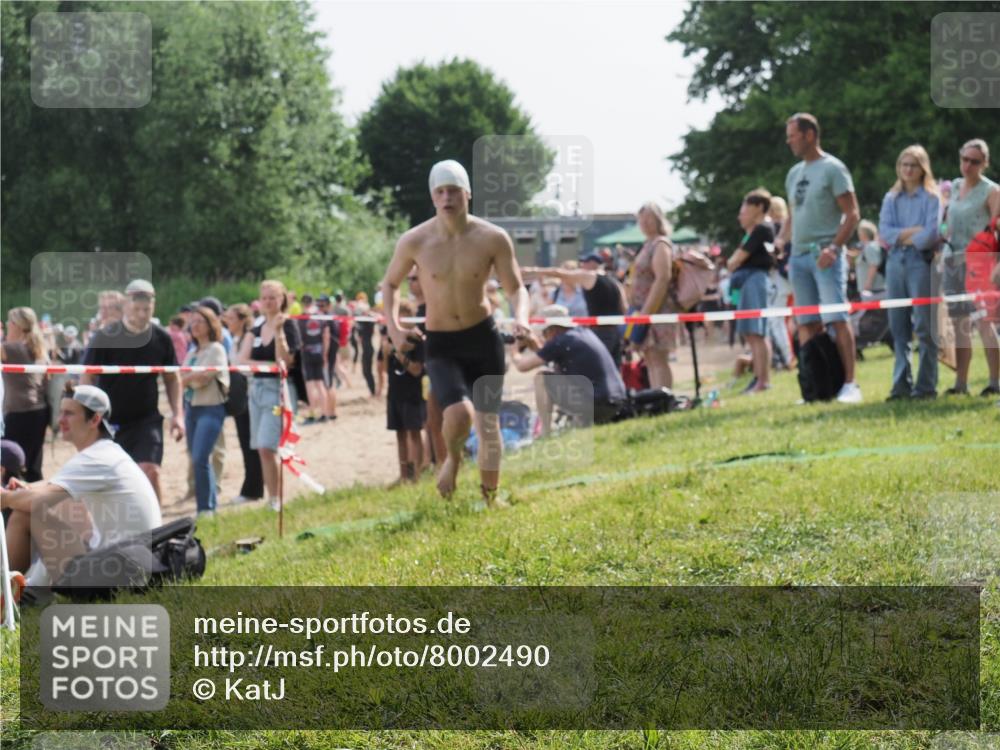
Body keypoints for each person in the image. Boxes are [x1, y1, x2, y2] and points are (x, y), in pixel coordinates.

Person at [381, 159, 530, 504]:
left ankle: (490, 498)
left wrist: (521, 316)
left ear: (468, 194)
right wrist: (395, 330)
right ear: (433, 198)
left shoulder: (492, 237)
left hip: (483, 337)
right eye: (440, 192)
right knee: (459, 414)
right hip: (442, 343)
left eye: (454, 191)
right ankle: (452, 458)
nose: (447, 198)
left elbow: (516, 287)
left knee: (488, 422)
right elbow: (389, 285)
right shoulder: (415, 240)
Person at [1, 383, 161, 588]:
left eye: (69, 414)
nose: (60, 420)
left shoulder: (96, 458)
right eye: (61, 413)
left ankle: (9, 593)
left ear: (95, 419)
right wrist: (25, 489)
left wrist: (6, 498)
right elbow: (50, 486)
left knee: (28, 513)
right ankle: (29, 590)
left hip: (120, 575)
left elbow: (41, 498)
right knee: (60, 506)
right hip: (131, 567)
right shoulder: (104, 453)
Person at [777, 113, 862, 403]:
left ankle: (851, 384)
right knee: (807, 323)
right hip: (798, 258)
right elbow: (792, 215)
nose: (788, 141)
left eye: (793, 135)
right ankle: (816, 386)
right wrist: (781, 240)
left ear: (810, 134)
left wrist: (834, 248)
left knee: (837, 318)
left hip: (826, 255)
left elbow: (852, 214)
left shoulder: (833, 168)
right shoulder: (793, 173)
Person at [81, 280, 183, 502]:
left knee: (150, 471)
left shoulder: (161, 338)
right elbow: (87, 375)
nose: (142, 314)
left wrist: (178, 414)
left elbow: (172, 377)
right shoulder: (105, 336)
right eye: (137, 308)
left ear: (153, 307)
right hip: (111, 421)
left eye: (147, 309)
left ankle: (159, 532)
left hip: (147, 419)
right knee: (114, 481)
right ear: (125, 306)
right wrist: (85, 413)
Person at [878, 145, 941, 401]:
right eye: (903, 165)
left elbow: (929, 236)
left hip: (920, 263)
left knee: (925, 327)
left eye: (912, 165)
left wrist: (904, 235)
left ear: (922, 168)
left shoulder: (932, 198)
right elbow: (885, 233)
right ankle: (901, 385)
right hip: (895, 262)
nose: (907, 170)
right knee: (898, 327)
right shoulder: (891, 199)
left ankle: (925, 386)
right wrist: (912, 232)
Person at [510, 304, 627, 435]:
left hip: (596, 404)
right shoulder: (581, 334)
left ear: (552, 330)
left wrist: (514, 349)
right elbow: (548, 354)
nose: (544, 336)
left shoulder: (560, 341)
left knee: (542, 378)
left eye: (544, 333)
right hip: (616, 402)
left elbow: (522, 366)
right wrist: (533, 342)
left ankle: (545, 432)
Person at [236, 280, 301, 511]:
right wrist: (266, 364)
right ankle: (272, 497)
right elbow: (241, 361)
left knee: (267, 446)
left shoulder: (288, 326)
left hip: (279, 389)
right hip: (257, 389)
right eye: (264, 297)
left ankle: (277, 498)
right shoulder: (254, 330)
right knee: (260, 447)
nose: (268, 301)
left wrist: (279, 331)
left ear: (282, 299)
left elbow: (285, 361)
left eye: (273, 297)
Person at [942, 138, 1000, 396]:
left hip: (980, 263)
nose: (967, 165)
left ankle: (995, 382)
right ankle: (961, 384)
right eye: (964, 159)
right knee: (959, 324)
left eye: (974, 161)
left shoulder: (992, 191)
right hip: (953, 260)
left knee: (986, 323)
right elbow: (946, 223)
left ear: (984, 163)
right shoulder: (954, 186)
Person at [522, 252, 628, 367]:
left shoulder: (590, 277)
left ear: (592, 264)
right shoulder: (615, 282)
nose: (581, 266)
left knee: (594, 368)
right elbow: (624, 308)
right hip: (614, 333)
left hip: (599, 334)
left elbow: (561, 274)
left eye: (584, 263)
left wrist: (534, 271)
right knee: (613, 370)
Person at [178, 306, 229, 516]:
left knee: (200, 457)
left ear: (210, 325)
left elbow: (203, 378)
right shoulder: (192, 351)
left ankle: (206, 508)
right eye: (193, 321)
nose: (195, 325)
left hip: (211, 408)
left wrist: (189, 379)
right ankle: (208, 505)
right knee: (197, 459)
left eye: (200, 321)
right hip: (192, 409)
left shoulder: (216, 349)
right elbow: (183, 379)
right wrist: (190, 379)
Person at [728, 188, 776, 393]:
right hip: (748, 281)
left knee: (757, 332)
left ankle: (762, 381)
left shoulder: (762, 229)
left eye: (744, 209)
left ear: (758, 207)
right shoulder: (752, 233)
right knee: (751, 333)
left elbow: (736, 260)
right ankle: (758, 378)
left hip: (755, 281)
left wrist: (734, 261)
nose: (741, 215)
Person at [630, 202, 677, 390]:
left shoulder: (660, 244)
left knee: (658, 357)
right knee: (649, 357)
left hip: (657, 309)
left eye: (649, 218)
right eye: (642, 219)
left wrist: (647, 312)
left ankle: (664, 398)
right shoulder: (646, 245)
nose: (645, 223)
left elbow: (662, 278)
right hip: (643, 309)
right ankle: (656, 396)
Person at [2, 307, 50, 481]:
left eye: (10, 321)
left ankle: (13, 507)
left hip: (20, 413)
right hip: (39, 411)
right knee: (33, 467)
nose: (7, 325)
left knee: (9, 465)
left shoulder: (12, 348)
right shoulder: (38, 347)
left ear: (19, 326)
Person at [385, 300, 426, 484]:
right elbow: (385, 368)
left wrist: (399, 354)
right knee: (400, 435)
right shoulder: (391, 337)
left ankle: (416, 475)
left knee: (414, 435)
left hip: (412, 394)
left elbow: (416, 369)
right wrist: (387, 351)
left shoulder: (417, 339)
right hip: (395, 392)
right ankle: (404, 476)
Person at [297, 308, 332, 424]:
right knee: (320, 384)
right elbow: (326, 336)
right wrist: (325, 353)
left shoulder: (301, 319)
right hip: (319, 352)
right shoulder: (321, 317)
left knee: (310, 385)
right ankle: (324, 413)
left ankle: (312, 413)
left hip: (308, 353)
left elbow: (299, 340)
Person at [855, 220, 886, 298]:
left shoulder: (870, 247)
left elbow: (874, 265)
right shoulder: (868, 246)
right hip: (872, 289)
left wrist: (868, 284)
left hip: (874, 289)